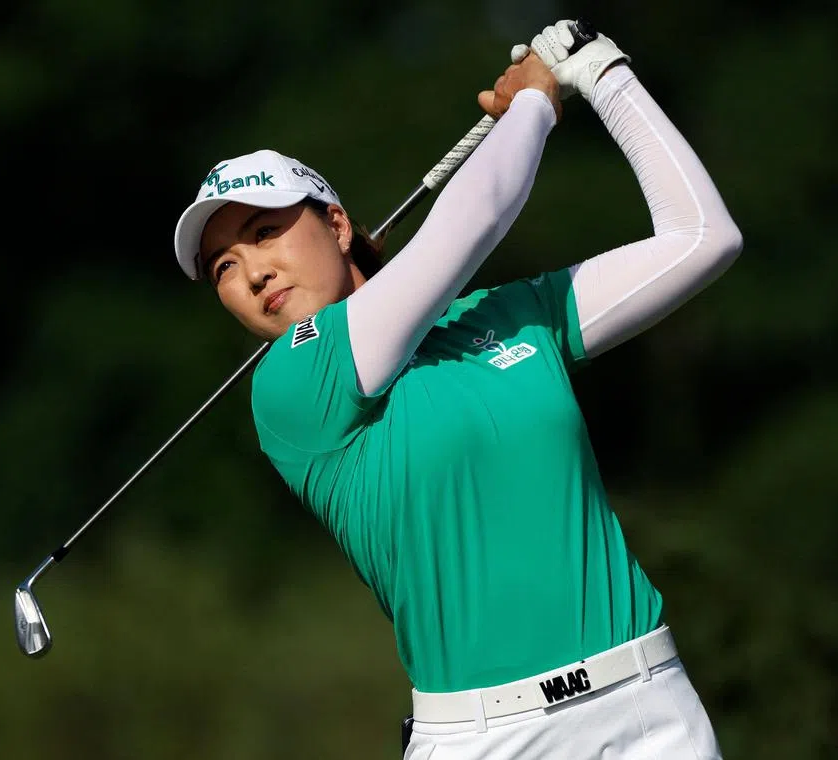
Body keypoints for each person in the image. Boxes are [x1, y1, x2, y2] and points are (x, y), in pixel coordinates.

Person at [172, 19, 741, 760]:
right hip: (488, 739)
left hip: (648, 712)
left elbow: (703, 239)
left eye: (265, 230)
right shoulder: (290, 383)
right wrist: (536, 99)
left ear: (337, 225)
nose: (251, 273)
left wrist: (601, 74)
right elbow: (470, 222)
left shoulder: (506, 316)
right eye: (222, 267)